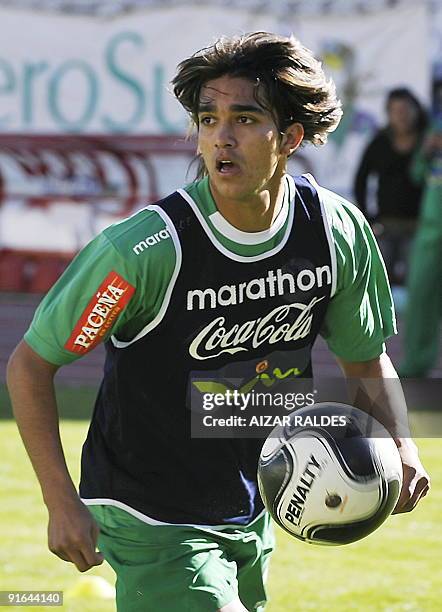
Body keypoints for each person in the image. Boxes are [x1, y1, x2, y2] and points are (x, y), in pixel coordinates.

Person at [7, 32, 430, 612]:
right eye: (208, 119)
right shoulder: (145, 251)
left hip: (252, 504)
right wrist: (61, 502)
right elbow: (32, 364)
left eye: (246, 118)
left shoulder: (334, 232)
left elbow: (364, 356)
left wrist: (402, 446)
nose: (221, 137)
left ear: (291, 138)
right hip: (149, 512)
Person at [353, 88, 427, 284]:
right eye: (395, 110)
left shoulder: (428, 142)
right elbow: (361, 179)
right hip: (386, 224)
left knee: (418, 282)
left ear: (416, 111)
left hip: (421, 227)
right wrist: (367, 219)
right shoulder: (379, 143)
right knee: (380, 280)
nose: (401, 116)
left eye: (405, 109)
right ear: (388, 114)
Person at [399, 116, 442, 377]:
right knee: (421, 297)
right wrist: (426, 151)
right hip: (430, 229)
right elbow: (416, 174)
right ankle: (416, 362)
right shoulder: (436, 125)